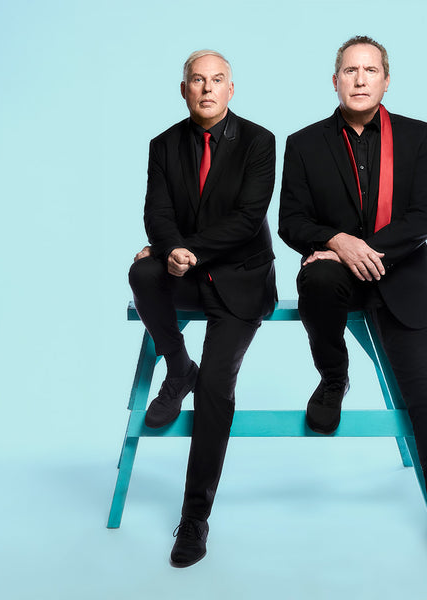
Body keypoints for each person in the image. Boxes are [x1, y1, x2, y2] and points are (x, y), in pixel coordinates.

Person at [278, 36, 427, 587]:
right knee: (319, 275)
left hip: (401, 276)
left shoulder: (421, 136)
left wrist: (365, 249)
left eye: (370, 70)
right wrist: (337, 241)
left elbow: (423, 218)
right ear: (335, 81)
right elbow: (291, 221)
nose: (360, 79)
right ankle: (333, 377)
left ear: (386, 80)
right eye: (350, 70)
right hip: (332, 276)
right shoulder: (303, 143)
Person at [128, 49, 277, 568]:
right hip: (187, 271)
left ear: (231, 90)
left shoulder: (259, 141)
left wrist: (185, 248)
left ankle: (194, 517)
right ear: (184, 89)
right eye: (197, 80)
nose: (207, 88)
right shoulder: (163, 145)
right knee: (142, 272)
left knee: (216, 387)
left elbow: (248, 218)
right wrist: (169, 249)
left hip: (241, 279)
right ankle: (177, 366)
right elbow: (156, 211)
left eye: (217, 80)